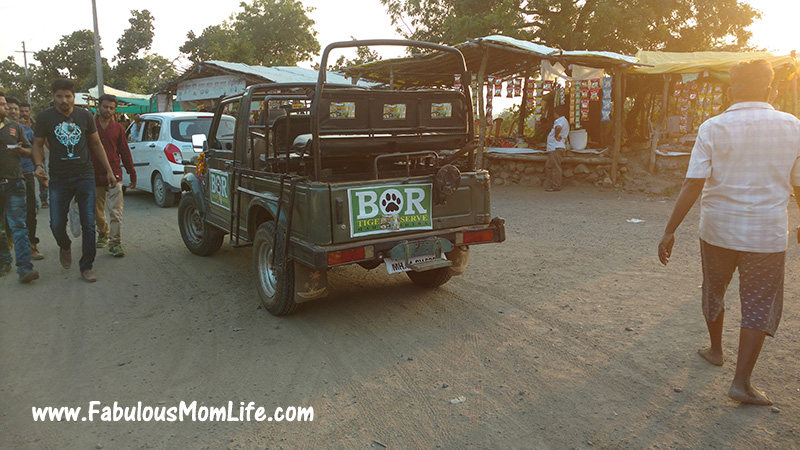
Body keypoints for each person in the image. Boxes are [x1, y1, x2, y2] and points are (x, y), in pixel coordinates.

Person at [658, 60, 800, 406]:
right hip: (766, 236)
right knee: (758, 303)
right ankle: (741, 382)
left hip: (717, 230)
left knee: (714, 288)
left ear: (731, 90)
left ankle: (716, 350)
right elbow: (799, 185)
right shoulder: (793, 127)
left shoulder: (712, 127)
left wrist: (669, 231)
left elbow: (693, 183)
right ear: (771, 89)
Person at [32, 79, 117, 283]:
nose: (64, 100)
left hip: (84, 176)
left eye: (68, 96)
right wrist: (39, 166)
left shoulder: (84, 116)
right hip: (59, 178)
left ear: (73, 96)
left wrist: (109, 171)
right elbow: (37, 145)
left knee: (89, 223)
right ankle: (65, 245)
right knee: (56, 224)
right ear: (53, 96)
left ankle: (86, 266)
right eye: (59, 96)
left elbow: (96, 145)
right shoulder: (44, 117)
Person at [0, 91, 39, 282]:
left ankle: (24, 268)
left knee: (18, 226)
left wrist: (20, 149)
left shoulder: (15, 127)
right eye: (1, 105)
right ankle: (4, 262)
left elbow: (29, 151)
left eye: (4, 104)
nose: (5, 108)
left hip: (15, 182)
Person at [93, 94, 136, 256]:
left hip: (115, 174)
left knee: (116, 211)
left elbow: (124, 152)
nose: (108, 110)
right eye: (105, 107)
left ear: (115, 110)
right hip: (94, 175)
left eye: (112, 108)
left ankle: (115, 242)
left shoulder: (118, 129)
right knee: (96, 210)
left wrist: (132, 172)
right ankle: (103, 232)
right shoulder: (89, 126)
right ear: (98, 107)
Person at [6, 96, 44, 260]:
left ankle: (32, 246)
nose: (14, 112)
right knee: (8, 214)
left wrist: (39, 166)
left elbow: (35, 150)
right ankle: (8, 246)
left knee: (29, 211)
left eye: (16, 109)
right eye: (11, 108)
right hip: (6, 176)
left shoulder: (26, 131)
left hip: (26, 173)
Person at [545, 105, 569, 192]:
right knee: (549, 166)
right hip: (554, 147)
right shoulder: (564, 120)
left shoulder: (560, 120)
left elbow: (558, 127)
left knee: (555, 167)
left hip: (556, 147)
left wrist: (556, 136)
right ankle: (552, 183)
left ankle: (556, 185)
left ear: (557, 113)